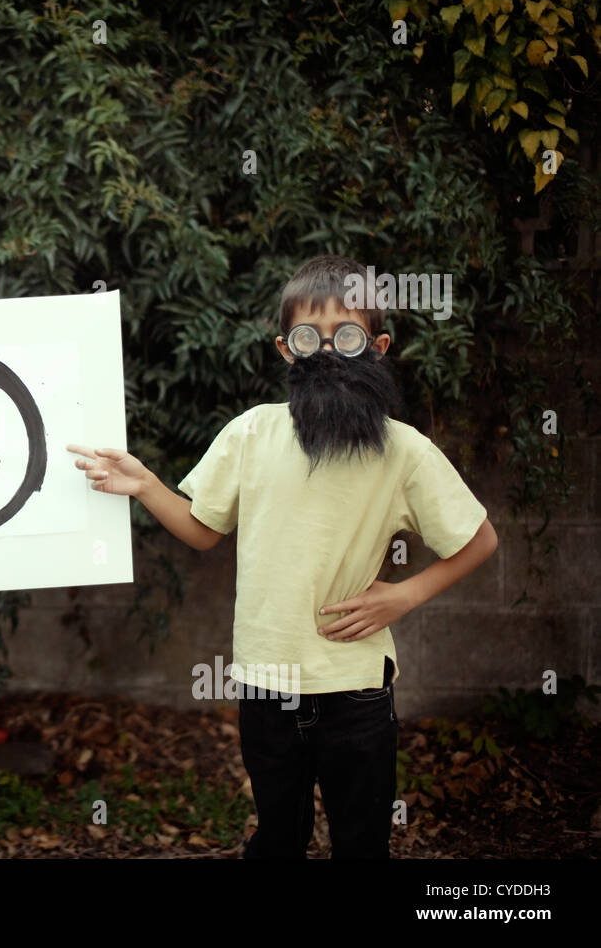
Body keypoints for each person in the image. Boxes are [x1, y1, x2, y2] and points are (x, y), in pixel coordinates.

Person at [68, 254, 498, 858]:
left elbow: (479, 540)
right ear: (284, 349)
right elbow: (202, 529)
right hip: (266, 682)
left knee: (362, 843)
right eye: (308, 337)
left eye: (346, 336)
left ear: (376, 346)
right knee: (278, 840)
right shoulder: (252, 433)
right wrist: (145, 485)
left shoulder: (405, 452)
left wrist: (405, 595)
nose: (327, 350)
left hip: (355, 689)